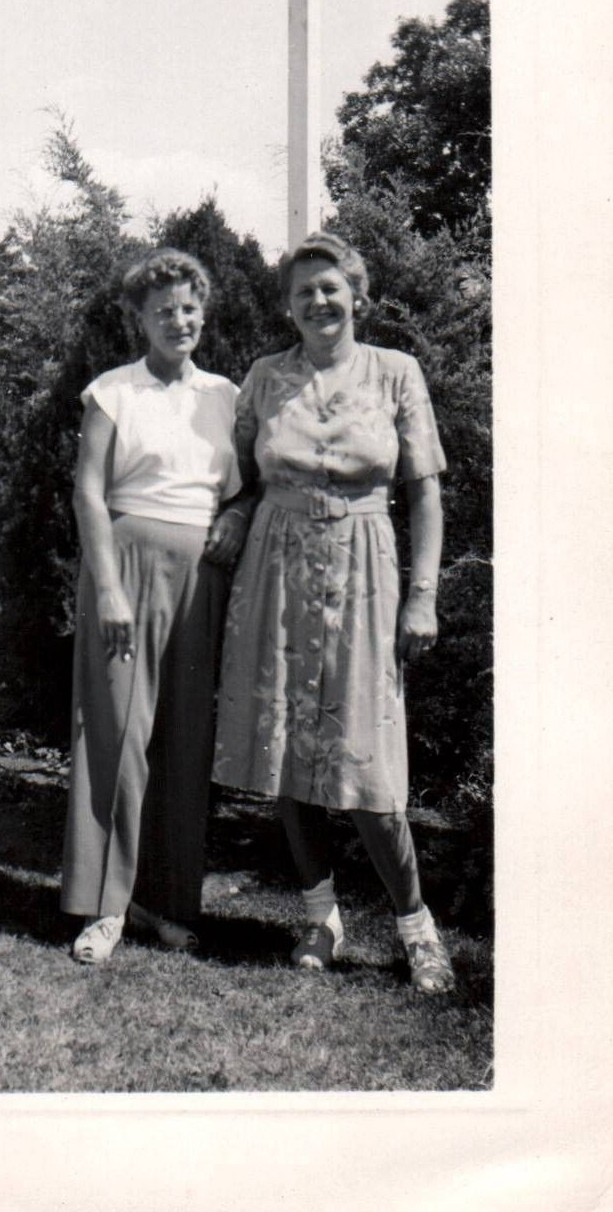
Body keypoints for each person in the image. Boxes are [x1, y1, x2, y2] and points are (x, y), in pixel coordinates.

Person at [213, 232, 456, 994]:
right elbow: (235, 473)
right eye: (301, 292)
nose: (317, 302)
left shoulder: (395, 374)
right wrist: (234, 512)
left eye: (329, 288)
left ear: (355, 295)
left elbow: (423, 491)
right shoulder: (263, 377)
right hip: (276, 570)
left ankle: (415, 927)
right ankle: (320, 915)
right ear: (286, 306)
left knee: (366, 763)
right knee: (287, 748)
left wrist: (422, 595)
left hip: (364, 568)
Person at [60, 248, 247, 964]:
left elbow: (246, 485)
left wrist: (236, 515)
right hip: (127, 566)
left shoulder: (226, 396)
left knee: (183, 739)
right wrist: (107, 587)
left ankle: (165, 904)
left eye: (189, 307)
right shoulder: (112, 392)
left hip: (201, 575)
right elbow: (87, 491)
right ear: (139, 318)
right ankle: (105, 907)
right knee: (115, 733)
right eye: (163, 309)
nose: (179, 320)